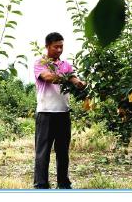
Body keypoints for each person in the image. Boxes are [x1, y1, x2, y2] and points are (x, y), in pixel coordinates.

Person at [33, 32, 86, 189]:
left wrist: (79, 82)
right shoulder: (40, 63)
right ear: (47, 46)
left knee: (63, 152)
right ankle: (41, 185)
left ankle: (64, 184)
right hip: (45, 113)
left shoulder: (66, 65)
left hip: (63, 113)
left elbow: (73, 77)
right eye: (56, 46)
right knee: (43, 152)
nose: (59, 50)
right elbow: (48, 77)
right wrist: (67, 78)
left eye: (61, 46)